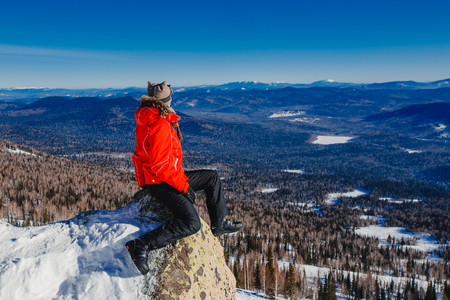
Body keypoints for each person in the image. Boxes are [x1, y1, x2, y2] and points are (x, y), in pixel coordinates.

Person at [126, 81, 243, 275]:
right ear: (166, 100)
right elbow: (160, 165)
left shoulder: (151, 117)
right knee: (191, 223)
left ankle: (219, 223)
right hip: (159, 181)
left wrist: (181, 180)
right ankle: (141, 245)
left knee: (211, 177)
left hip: (163, 175)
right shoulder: (159, 124)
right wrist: (183, 186)